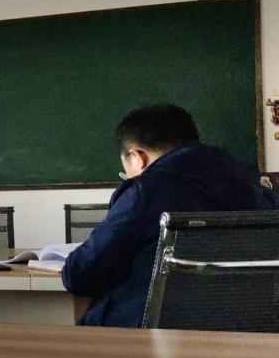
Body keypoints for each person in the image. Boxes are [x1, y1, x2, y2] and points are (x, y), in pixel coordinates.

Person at [62, 104, 277, 327]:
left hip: (146, 337)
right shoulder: (255, 186)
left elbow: (80, 276)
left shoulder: (145, 191)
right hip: (245, 335)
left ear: (137, 157)